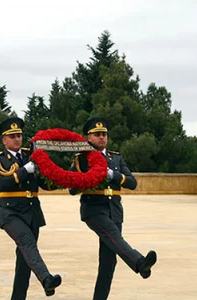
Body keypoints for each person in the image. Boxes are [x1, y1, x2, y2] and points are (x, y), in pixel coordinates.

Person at [71, 118, 157, 299]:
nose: (102, 138)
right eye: (97, 135)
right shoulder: (82, 158)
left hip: (114, 210)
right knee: (113, 235)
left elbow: (132, 183)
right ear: (89, 138)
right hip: (94, 209)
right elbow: (72, 189)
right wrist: (87, 177)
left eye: (104, 134)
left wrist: (113, 174)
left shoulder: (116, 158)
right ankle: (139, 262)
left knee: (109, 262)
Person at [0, 117, 62, 299]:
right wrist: (24, 170)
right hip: (10, 211)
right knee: (28, 243)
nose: (17, 139)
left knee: (24, 260)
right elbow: (2, 183)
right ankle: (46, 279)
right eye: (12, 136)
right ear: (4, 140)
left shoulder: (32, 155)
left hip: (32, 212)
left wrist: (64, 180)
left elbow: (45, 183)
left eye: (19, 135)